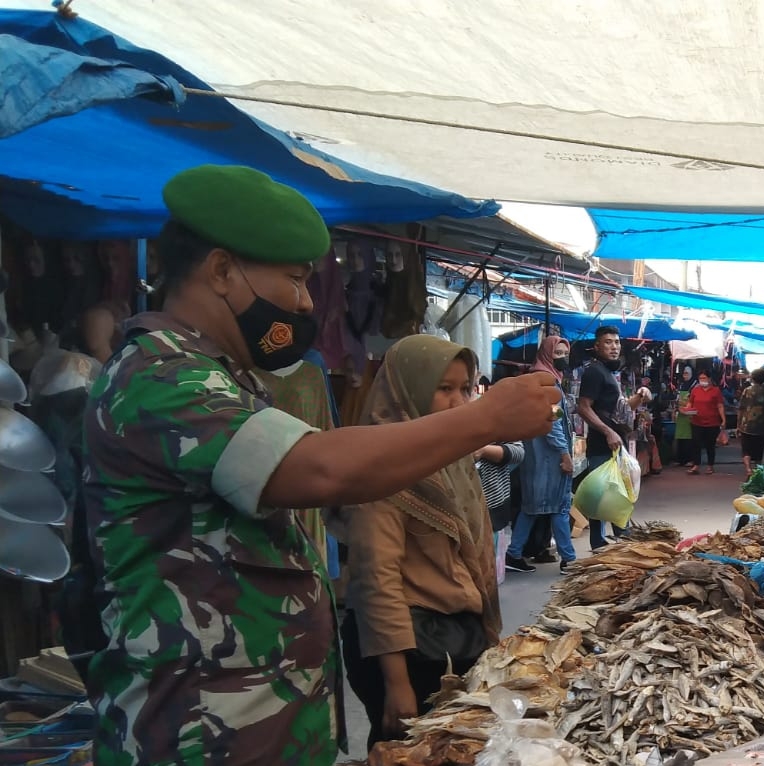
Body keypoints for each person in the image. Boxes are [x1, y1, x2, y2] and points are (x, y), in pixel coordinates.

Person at [80, 164, 560, 766]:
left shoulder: (222, 377)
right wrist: (485, 418)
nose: (307, 302)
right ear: (221, 271)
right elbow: (321, 470)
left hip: (254, 724)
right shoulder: (161, 378)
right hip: (198, 732)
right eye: (295, 279)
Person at [342, 334, 500, 749]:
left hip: (455, 636)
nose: (459, 402)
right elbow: (377, 581)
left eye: (465, 388)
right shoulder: (383, 469)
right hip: (408, 650)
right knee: (406, 751)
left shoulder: (452, 457)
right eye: (444, 388)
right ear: (407, 391)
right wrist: (397, 684)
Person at [507, 336, 578, 574]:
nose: (563, 358)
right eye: (557, 353)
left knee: (531, 507)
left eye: (565, 353)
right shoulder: (547, 385)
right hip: (549, 458)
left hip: (536, 457)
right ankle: (569, 559)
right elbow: (553, 423)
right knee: (559, 507)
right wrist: (564, 454)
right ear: (547, 355)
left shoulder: (538, 380)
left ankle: (513, 553)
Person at [576, 326, 646, 549]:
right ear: (597, 346)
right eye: (608, 342)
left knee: (616, 493)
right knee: (605, 496)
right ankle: (609, 542)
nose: (614, 347)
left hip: (615, 445)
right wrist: (608, 432)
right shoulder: (594, 372)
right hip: (602, 445)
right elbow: (583, 407)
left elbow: (621, 408)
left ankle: (615, 541)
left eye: (616, 342)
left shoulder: (609, 373)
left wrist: (640, 395)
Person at [683, 371, 726, 475]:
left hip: (712, 422)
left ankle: (710, 466)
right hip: (696, 421)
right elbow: (690, 402)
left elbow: (720, 406)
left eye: (704, 378)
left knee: (710, 445)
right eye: (700, 378)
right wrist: (687, 410)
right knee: (696, 444)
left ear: (709, 379)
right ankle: (696, 465)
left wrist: (723, 419)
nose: (702, 380)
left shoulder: (716, 391)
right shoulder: (695, 390)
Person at [738, 369, 764, 476]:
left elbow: (741, 409)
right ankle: (758, 471)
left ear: (753, 378)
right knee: (759, 450)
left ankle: (748, 469)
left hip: (746, 425)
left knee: (746, 450)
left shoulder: (746, 391)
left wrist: (738, 425)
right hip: (761, 426)